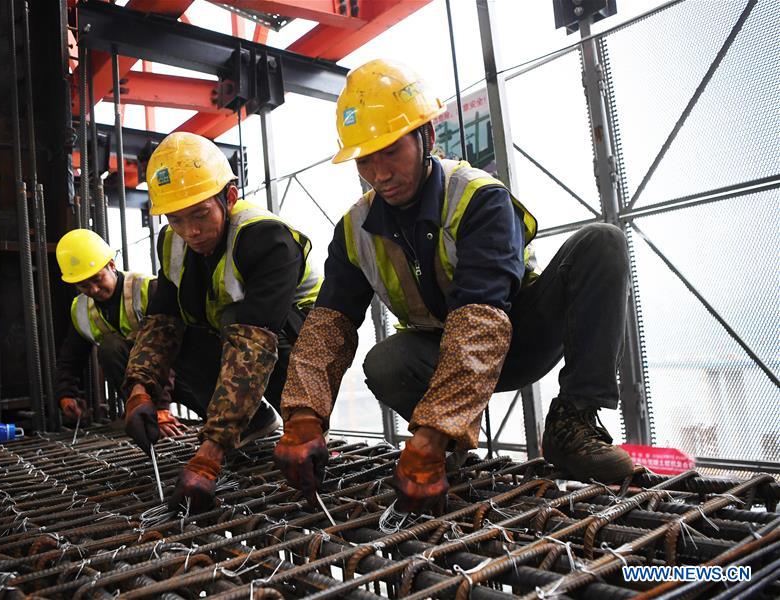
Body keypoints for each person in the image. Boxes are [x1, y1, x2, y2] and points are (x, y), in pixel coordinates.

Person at [274, 59, 634, 514]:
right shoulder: (356, 229)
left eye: (391, 151)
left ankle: (573, 423)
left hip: (521, 334)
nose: (379, 172)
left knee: (602, 243)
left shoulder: (477, 197)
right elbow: (327, 327)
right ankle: (448, 453)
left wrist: (434, 428)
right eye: (365, 159)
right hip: (439, 353)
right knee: (384, 362)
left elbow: (481, 319)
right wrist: (304, 416)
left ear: (427, 137)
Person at [122, 132, 322, 512]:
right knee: (181, 336)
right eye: (176, 219)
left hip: (296, 344)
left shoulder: (266, 238)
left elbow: (253, 343)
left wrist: (209, 454)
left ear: (228, 198)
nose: (190, 231)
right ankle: (249, 423)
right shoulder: (174, 243)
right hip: (240, 340)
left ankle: (300, 422)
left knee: (239, 323)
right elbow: (162, 322)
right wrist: (140, 389)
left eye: (200, 214)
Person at [54, 229, 183, 437]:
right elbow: (70, 357)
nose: (93, 290)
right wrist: (66, 393)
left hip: (177, 371)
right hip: (140, 384)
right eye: (84, 285)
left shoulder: (147, 289)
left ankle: (156, 410)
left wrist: (161, 407)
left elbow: (165, 348)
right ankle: (139, 410)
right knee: (110, 347)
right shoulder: (81, 310)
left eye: (97, 279)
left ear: (112, 265)